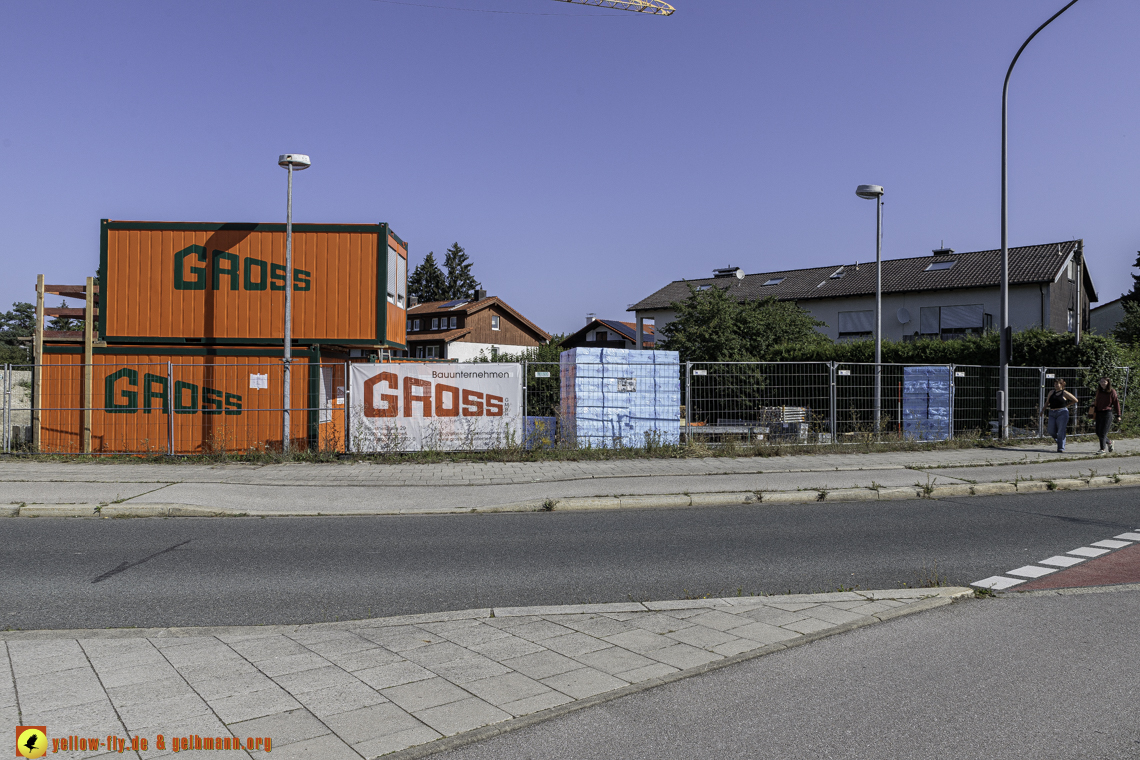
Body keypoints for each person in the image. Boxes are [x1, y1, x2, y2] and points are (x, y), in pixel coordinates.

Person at [1041, 379, 1078, 453]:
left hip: (1062, 412)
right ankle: (1059, 440)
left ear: (1061, 384)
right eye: (1054, 384)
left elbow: (1075, 400)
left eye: (1057, 384)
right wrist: (1043, 410)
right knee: (1050, 430)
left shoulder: (1064, 393)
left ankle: (1061, 448)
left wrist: (1067, 405)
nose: (1055, 385)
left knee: (1061, 430)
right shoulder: (1051, 392)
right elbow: (1047, 402)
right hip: (1052, 412)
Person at [1092, 376, 1122, 454]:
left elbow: (1116, 403)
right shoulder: (1099, 391)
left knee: (1103, 432)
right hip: (1099, 413)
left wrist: (1118, 415)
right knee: (1098, 432)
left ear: (1108, 383)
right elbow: (1097, 401)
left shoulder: (1112, 391)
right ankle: (1109, 442)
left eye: (1104, 382)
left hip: (1107, 413)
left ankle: (1102, 449)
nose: (1102, 383)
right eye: (1101, 381)